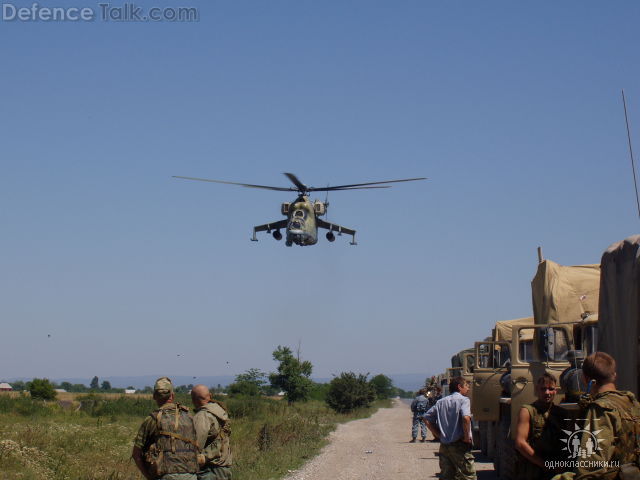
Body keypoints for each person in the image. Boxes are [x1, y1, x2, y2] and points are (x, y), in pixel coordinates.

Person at [573, 352, 640, 480]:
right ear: (614, 375)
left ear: (585, 379)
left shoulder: (601, 409)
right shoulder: (633, 403)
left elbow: (592, 465)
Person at [132, 377, 200, 480]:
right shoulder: (189, 416)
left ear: (154, 396)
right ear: (172, 395)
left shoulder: (152, 419)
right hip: (190, 475)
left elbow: (136, 454)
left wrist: (148, 476)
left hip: (165, 475)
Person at [514, 372, 565, 480]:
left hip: (555, 469)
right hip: (532, 469)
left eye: (551, 389)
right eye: (543, 389)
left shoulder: (561, 413)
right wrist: (543, 464)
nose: (547, 392)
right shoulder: (527, 411)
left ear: (556, 391)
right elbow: (520, 443)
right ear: (536, 390)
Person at [423, 376, 476, 480]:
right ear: (459, 387)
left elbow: (426, 419)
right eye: (466, 386)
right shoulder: (464, 400)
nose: (468, 389)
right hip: (460, 444)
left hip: (444, 446)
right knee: (467, 476)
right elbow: (466, 418)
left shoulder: (441, 402)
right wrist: (466, 437)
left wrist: (438, 435)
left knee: (447, 476)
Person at [191, 385, 233, 480]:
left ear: (193, 400)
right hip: (224, 469)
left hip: (209, 470)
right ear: (210, 396)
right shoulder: (221, 411)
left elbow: (196, 445)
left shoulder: (202, 416)